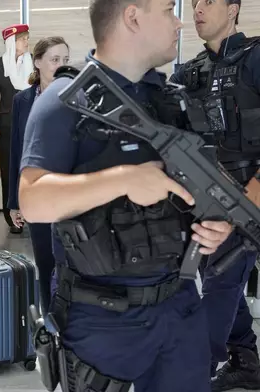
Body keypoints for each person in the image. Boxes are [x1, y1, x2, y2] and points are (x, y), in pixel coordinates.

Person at [19, 0, 234, 390]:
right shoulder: (66, 100)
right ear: (133, 16)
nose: (180, 22)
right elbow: (32, 200)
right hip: (99, 314)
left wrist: (213, 224)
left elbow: (195, 191)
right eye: (169, 10)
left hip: (178, 302)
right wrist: (123, 179)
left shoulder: (172, 101)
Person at [169, 1, 260, 390]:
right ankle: (246, 361)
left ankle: (194, 376)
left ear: (234, 8)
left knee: (221, 281)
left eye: (208, 1)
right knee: (220, 276)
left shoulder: (256, 58)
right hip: (210, 199)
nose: (198, 9)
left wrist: (245, 204)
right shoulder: (189, 73)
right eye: (194, 4)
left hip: (250, 196)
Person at [7, 36, 70, 313]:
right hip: (37, 194)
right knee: (45, 262)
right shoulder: (23, 100)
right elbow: (16, 151)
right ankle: (50, 325)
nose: (61, 65)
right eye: (55, 59)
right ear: (38, 62)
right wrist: (13, 201)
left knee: (72, 263)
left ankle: (74, 326)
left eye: (65, 60)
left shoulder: (74, 96)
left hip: (71, 194)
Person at [0, 23, 32, 234]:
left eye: (27, 39)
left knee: (29, 169)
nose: (26, 43)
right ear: (12, 42)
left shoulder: (32, 65)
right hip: (5, 125)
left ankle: (31, 213)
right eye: (23, 39)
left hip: (31, 123)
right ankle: (12, 217)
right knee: (8, 170)